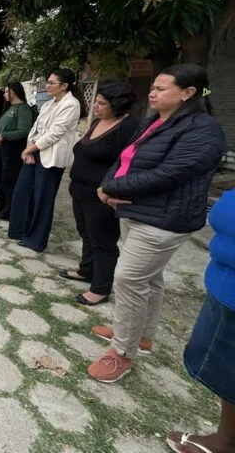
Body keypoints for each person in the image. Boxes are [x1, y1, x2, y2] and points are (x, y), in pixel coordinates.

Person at [87, 64, 226, 384]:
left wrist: (112, 189)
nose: (152, 92)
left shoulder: (203, 130)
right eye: (154, 87)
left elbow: (169, 174)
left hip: (164, 218)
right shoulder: (155, 121)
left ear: (188, 93)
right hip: (137, 212)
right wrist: (106, 186)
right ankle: (140, 334)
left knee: (128, 278)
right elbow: (125, 159)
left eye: (162, 88)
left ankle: (121, 352)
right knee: (148, 278)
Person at [166, 189, 235, 453]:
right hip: (226, 284)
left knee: (225, 371)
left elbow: (225, 215)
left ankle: (224, 443)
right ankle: (225, 439)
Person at [59, 82, 139, 306]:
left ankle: (101, 287)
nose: (95, 105)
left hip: (103, 195)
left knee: (102, 241)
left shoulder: (128, 127)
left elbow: (129, 163)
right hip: (80, 190)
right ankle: (86, 270)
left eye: (102, 103)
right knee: (86, 233)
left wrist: (115, 189)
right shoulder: (98, 122)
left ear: (117, 105)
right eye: (96, 101)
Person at [8, 69, 87, 252]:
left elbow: (55, 133)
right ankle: (19, 231)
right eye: (48, 82)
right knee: (22, 191)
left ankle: (35, 240)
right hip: (34, 152)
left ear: (65, 86)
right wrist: (28, 148)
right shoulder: (49, 104)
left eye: (52, 83)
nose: (47, 86)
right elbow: (36, 128)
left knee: (42, 198)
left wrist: (31, 148)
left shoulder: (71, 104)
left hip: (50, 157)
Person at [0, 82, 33, 220]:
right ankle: (0, 206)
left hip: (13, 149)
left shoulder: (23, 109)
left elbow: (24, 131)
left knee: (9, 180)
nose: (4, 94)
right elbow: (1, 126)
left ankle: (8, 211)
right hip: (3, 148)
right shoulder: (9, 108)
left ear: (14, 92)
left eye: (7, 91)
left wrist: (4, 135)